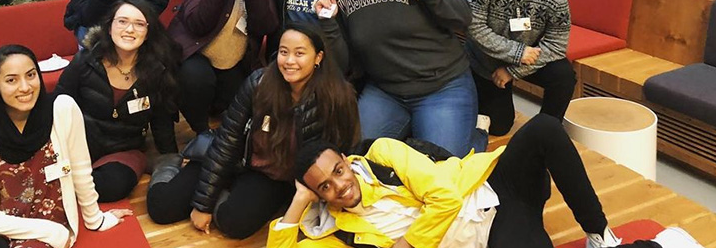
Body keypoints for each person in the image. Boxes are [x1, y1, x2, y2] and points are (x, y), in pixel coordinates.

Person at [273, 114, 685, 248]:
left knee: (543, 127)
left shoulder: (381, 153)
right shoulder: (337, 230)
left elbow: (446, 194)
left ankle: (600, 235)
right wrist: (298, 202)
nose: (339, 186)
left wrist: (410, 243)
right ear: (318, 196)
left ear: (347, 160)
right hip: (484, 232)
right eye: (324, 186)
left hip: (489, 186)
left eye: (338, 171)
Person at [145, 23, 360, 240]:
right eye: (284, 52)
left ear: (318, 57)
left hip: (273, 177)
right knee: (162, 207)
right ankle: (168, 163)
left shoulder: (338, 96)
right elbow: (227, 141)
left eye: (300, 53)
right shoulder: (259, 82)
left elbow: (343, 151)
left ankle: (228, 193)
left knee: (234, 223)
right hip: (235, 159)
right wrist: (202, 205)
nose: (289, 61)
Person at [315, 0, 484, 157]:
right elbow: (343, 65)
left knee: (442, 166)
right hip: (386, 93)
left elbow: (463, 15)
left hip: (443, 87)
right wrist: (328, 22)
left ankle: (476, 134)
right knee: (353, 157)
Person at [0, 45, 132, 248]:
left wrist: (96, 219)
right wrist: (51, 231)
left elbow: (81, 170)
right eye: (11, 80)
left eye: (31, 75)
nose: (25, 87)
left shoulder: (62, 110)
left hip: (43, 236)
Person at [55, 0, 180, 202]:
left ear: (148, 32)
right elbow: (58, 104)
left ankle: (70, 187)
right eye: (122, 21)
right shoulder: (86, 61)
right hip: (81, 143)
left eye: (139, 24)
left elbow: (161, 120)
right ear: (109, 26)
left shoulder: (157, 71)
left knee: (112, 187)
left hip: (124, 149)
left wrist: (170, 157)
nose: (129, 29)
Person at [168, 0, 279, 134]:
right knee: (197, 78)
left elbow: (265, 28)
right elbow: (197, 24)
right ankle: (201, 133)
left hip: (235, 60)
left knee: (239, 114)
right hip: (194, 53)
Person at [466, 0, 575, 136]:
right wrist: (516, 53)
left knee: (564, 74)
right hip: (485, 61)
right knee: (499, 126)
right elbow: (473, 27)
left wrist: (513, 70)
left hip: (527, 58)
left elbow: (556, 45)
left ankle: (546, 131)